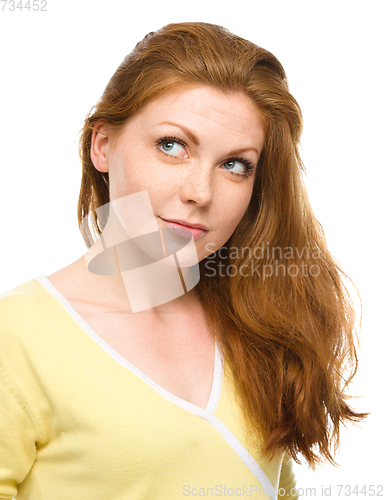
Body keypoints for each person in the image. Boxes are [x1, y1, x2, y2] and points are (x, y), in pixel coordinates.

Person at [0, 21, 368, 500]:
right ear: (103, 146)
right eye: (172, 146)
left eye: (235, 165)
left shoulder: (253, 321)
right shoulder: (17, 336)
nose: (200, 193)